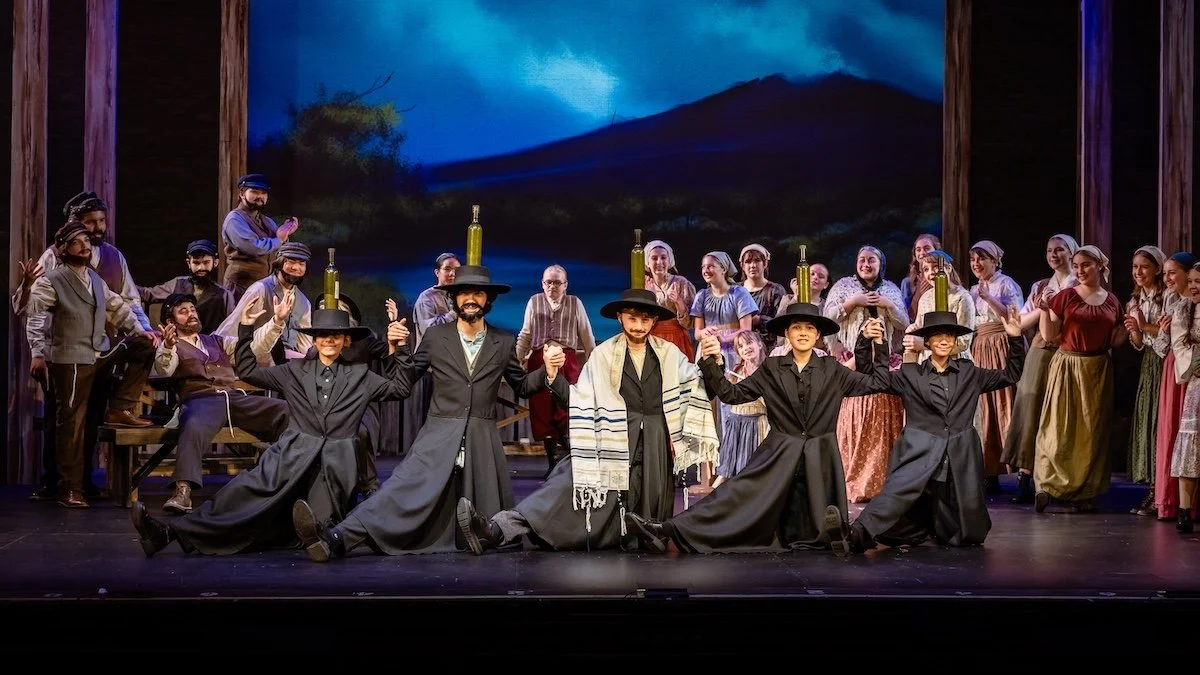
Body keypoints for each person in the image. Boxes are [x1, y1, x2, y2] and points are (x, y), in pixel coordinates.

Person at [290, 265, 563, 560]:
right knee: (397, 492)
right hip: (437, 436)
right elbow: (405, 382)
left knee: (479, 521)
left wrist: (548, 371)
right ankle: (334, 538)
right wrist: (399, 347)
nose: (471, 299)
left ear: (487, 299)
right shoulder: (435, 336)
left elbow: (521, 385)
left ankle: (481, 537)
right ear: (454, 298)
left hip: (481, 444)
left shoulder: (503, 341)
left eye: (478, 293)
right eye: (464, 293)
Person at [130, 302, 409, 556]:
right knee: (237, 495)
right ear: (314, 338)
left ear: (346, 340)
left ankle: (325, 541)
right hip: (289, 456)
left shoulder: (360, 376)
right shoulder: (295, 371)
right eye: (322, 334)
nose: (329, 339)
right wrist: (247, 327)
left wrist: (400, 348)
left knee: (312, 521)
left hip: (332, 467)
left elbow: (400, 387)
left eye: (336, 335)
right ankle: (168, 534)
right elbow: (249, 370)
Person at [455, 288, 718, 554]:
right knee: (565, 487)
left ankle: (638, 534)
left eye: (646, 319)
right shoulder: (604, 354)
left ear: (653, 321)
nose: (639, 326)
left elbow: (700, 390)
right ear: (620, 317)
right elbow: (577, 399)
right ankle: (496, 530)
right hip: (611, 443)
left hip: (653, 451)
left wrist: (710, 360)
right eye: (632, 319)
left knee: (641, 527)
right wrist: (553, 373)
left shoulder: (669, 355)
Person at [625, 301, 888, 554]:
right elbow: (732, 395)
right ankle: (668, 529)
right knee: (735, 495)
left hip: (821, 457)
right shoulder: (773, 368)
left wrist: (872, 342)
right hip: (779, 453)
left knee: (821, 528)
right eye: (797, 328)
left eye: (809, 328)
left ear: (818, 334)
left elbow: (876, 381)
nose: (803, 333)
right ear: (787, 333)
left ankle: (836, 537)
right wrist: (714, 360)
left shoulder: (832, 369)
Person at [835, 308, 1026, 555]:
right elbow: (876, 380)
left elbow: (1011, 374)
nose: (944, 340)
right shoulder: (911, 374)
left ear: (956, 341)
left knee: (968, 534)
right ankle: (855, 535)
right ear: (927, 342)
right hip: (919, 450)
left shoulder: (969, 373)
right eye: (937, 335)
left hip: (959, 455)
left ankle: (928, 529)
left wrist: (1015, 337)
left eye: (949, 335)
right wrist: (871, 343)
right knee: (895, 494)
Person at [22, 221, 156, 508]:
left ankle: (120, 407)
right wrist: (37, 353)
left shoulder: (95, 279)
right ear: (63, 249)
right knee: (71, 424)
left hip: (99, 354)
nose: (84, 245)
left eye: (85, 240)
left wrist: (140, 331)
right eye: (76, 242)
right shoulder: (52, 280)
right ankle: (69, 488)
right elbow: (34, 316)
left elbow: (118, 307)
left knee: (144, 346)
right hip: (70, 359)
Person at [150, 293, 290, 514]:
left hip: (232, 398)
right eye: (183, 312)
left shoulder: (216, 340)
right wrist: (167, 346)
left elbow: (253, 347)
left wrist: (277, 322)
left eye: (192, 309)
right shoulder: (172, 345)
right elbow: (164, 369)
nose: (191, 314)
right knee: (193, 424)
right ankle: (183, 492)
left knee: (284, 411)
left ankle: (285, 478)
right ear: (171, 322)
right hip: (200, 400)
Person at [220, 173, 299, 300]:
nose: (260, 196)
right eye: (255, 192)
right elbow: (252, 247)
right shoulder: (234, 219)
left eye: (263, 193)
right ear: (241, 193)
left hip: (264, 284)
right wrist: (279, 239)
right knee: (241, 319)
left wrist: (286, 233)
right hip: (241, 284)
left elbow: (279, 248)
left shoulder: (267, 221)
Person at [139, 239, 235, 334]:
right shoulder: (178, 283)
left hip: (210, 345)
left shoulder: (224, 296)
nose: (201, 268)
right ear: (189, 263)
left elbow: (231, 326)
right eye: (196, 263)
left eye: (206, 263)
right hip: (179, 343)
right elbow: (148, 294)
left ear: (215, 263)